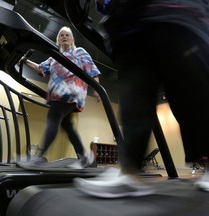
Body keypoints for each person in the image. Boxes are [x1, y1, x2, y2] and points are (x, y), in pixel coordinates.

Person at [74, 0, 209, 197]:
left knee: (191, 100)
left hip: (179, 17)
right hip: (130, 25)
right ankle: (129, 173)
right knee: (134, 100)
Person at [19, 26, 101, 169]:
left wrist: (97, 89)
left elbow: (92, 70)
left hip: (70, 92)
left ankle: (39, 156)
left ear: (72, 39)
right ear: (58, 39)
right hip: (56, 94)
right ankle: (84, 157)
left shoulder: (79, 52)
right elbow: (41, 68)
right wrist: (25, 61)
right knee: (67, 126)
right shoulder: (54, 57)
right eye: (61, 35)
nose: (64, 37)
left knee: (53, 119)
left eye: (67, 35)